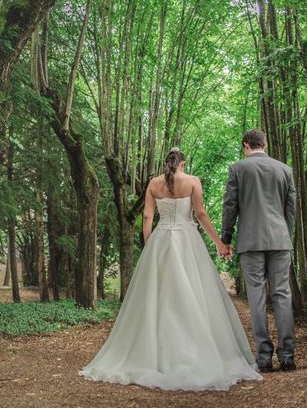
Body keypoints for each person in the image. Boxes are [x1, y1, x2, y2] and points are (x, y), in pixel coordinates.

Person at [79, 148, 262, 391]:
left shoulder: (154, 184)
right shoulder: (192, 181)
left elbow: (147, 217)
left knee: (159, 295)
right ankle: (195, 349)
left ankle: (154, 351)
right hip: (187, 241)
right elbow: (201, 214)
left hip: (161, 240)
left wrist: (148, 245)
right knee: (193, 293)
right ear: (183, 164)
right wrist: (219, 243)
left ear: (167, 162)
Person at [221, 129, 296, 372]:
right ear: (264, 144)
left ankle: (264, 358)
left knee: (257, 298)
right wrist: (286, 235)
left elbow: (230, 205)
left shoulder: (238, 169)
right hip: (279, 240)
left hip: (250, 242)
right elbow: (290, 208)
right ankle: (287, 356)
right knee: (282, 296)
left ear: (246, 145)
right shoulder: (285, 170)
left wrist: (226, 237)